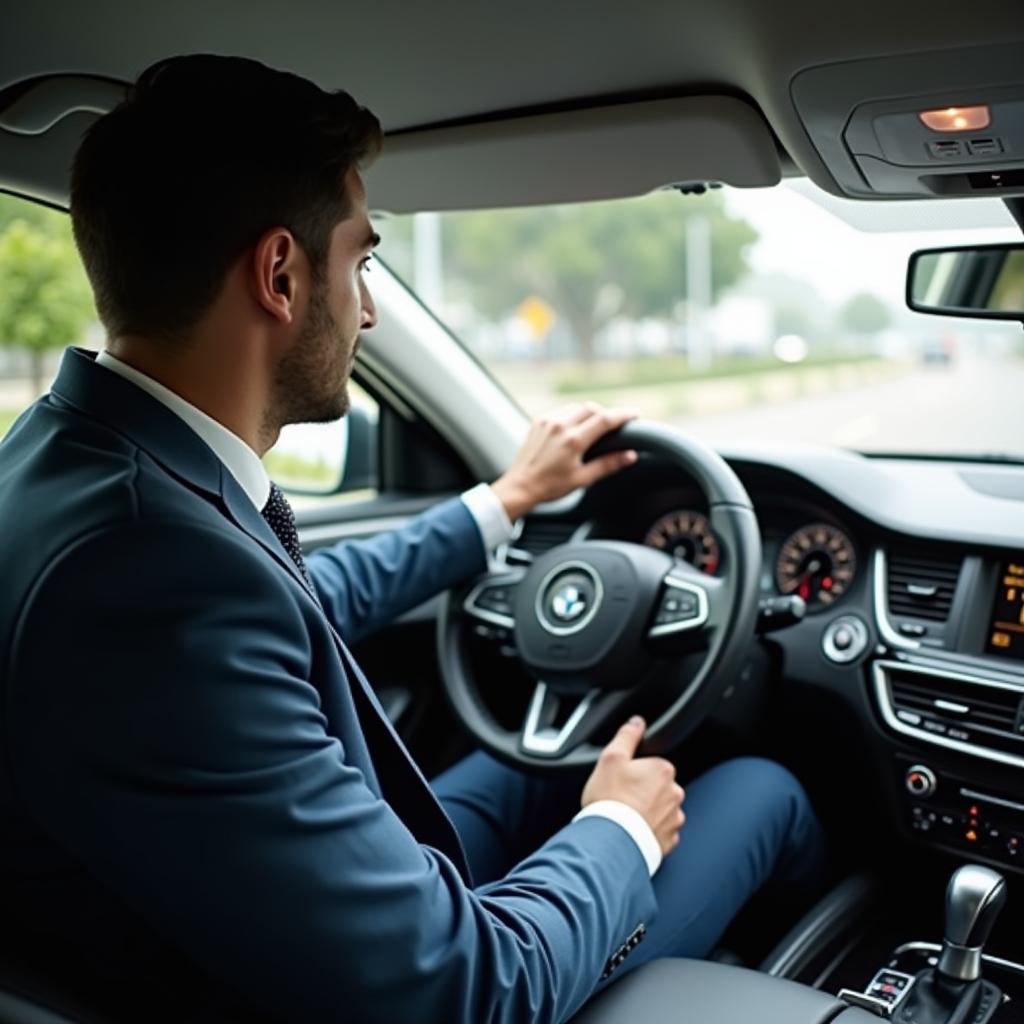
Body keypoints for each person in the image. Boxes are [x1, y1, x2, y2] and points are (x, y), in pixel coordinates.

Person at [0, 55, 828, 1024]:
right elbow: (462, 989)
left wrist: (506, 499)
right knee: (761, 788)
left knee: (535, 760)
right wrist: (619, 828)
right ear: (278, 274)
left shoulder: (69, 462)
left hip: (238, 930)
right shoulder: (155, 578)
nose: (370, 306)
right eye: (359, 260)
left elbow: (304, 597)